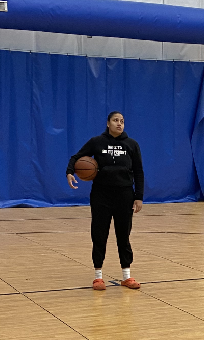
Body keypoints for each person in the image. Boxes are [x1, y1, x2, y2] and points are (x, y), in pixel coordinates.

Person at [66, 111, 144, 291]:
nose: (119, 123)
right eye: (116, 120)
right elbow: (75, 158)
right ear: (108, 123)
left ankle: (126, 276)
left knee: (123, 236)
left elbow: (139, 171)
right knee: (99, 235)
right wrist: (70, 172)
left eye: (122, 121)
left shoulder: (132, 145)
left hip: (125, 195)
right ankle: (98, 276)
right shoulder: (97, 142)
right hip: (101, 195)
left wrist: (138, 196)